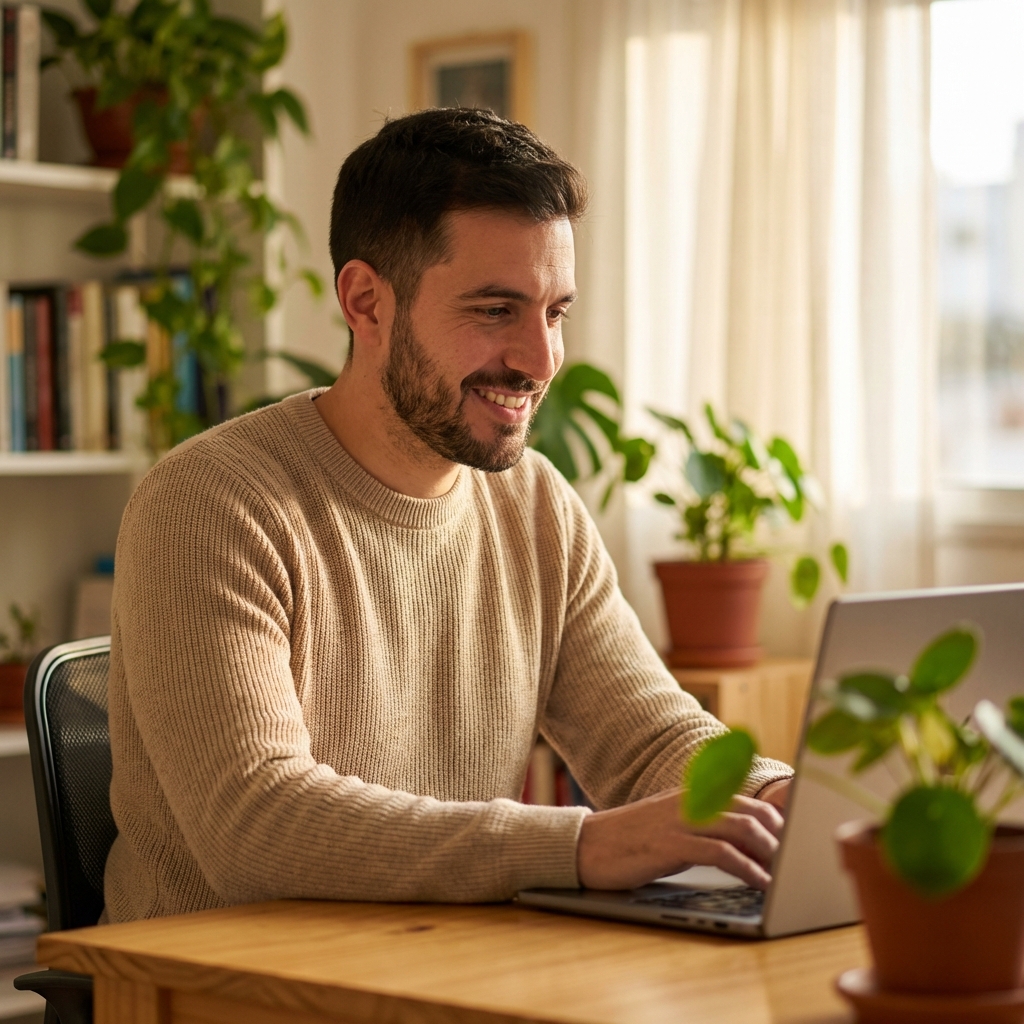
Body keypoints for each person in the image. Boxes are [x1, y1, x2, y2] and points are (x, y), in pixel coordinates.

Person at [104, 107, 793, 924]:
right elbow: (255, 825)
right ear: (366, 302)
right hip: (217, 993)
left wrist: (786, 801)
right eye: (496, 310)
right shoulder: (213, 502)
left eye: (556, 313)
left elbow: (648, 743)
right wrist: (581, 848)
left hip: (436, 973)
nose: (540, 362)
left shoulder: (535, 505)